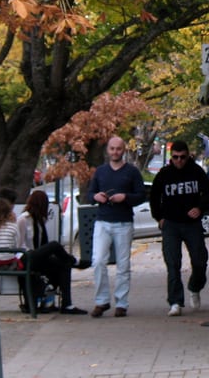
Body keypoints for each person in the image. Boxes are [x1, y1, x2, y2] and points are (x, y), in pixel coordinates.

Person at [150, 140, 209, 316]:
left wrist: (200, 207)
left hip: (192, 224)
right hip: (171, 224)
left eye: (182, 157)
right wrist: (159, 217)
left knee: (200, 260)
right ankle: (175, 302)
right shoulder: (164, 174)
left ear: (187, 156)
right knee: (172, 263)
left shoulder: (196, 171)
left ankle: (195, 286)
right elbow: (154, 197)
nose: (179, 161)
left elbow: (207, 193)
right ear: (171, 157)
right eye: (175, 157)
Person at [87, 135, 146, 318]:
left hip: (123, 222)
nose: (115, 152)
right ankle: (102, 301)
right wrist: (96, 197)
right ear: (108, 150)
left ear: (124, 150)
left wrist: (125, 197)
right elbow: (90, 194)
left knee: (123, 265)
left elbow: (141, 195)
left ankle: (121, 303)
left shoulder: (132, 172)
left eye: (118, 149)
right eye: (112, 149)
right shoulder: (100, 171)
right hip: (102, 221)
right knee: (97, 261)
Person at [17, 189, 88, 315]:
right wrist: (34, 253)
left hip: (37, 257)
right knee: (54, 245)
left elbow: (42, 243)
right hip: (26, 257)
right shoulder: (23, 219)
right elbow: (19, 244)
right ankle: (75, 261)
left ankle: (67, 304)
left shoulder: (39, 220)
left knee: (64, 265)